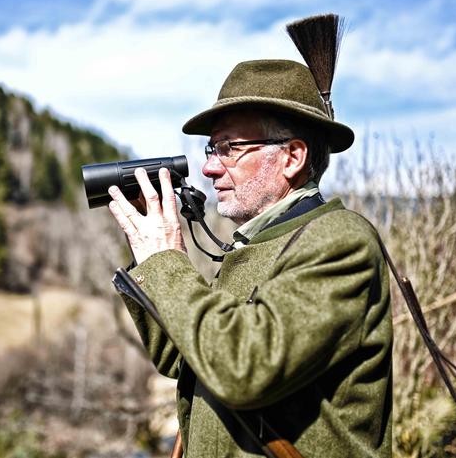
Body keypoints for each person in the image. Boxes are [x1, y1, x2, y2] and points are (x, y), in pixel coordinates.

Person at [107, 59, 392, 457]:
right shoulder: (254, 248)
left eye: (228, 149)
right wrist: (147, 251)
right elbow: (183, 359)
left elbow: (243, 369)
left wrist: (166, 262)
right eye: (212, 149)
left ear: (292, 156)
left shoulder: (339, 240)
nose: (208, 167)